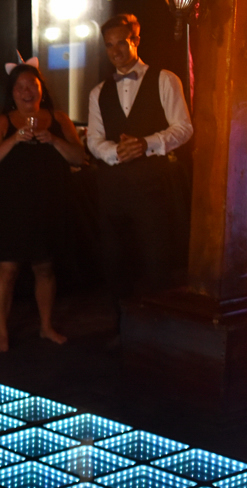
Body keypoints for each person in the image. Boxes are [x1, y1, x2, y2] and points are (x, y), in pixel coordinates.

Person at [0, 64, 86, 352]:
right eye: (20, 87)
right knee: (8, 269)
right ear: (12, 94)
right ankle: (1, 333)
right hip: (11, 208)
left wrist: (54, 140)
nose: (27, 91)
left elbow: (78, 158)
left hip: (47, 205)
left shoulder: (59, 120)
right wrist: (15, 138)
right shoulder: (2, 123)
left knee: (45, 268)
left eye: (31, 85)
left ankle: (46, 326)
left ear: (41, 89)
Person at [87, 14, 193, 299]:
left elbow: (184, 128)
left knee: (157, 262)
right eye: (109, 45)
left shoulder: (165, 79)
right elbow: (94, 140)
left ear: (136, 40)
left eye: (121, 42)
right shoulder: (98, 92)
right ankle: (123, 329)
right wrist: (116, 151)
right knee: (115, 263)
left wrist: (147, 144)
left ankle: (163, 332)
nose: (115, 51)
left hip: (153, 186)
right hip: (112, 189)